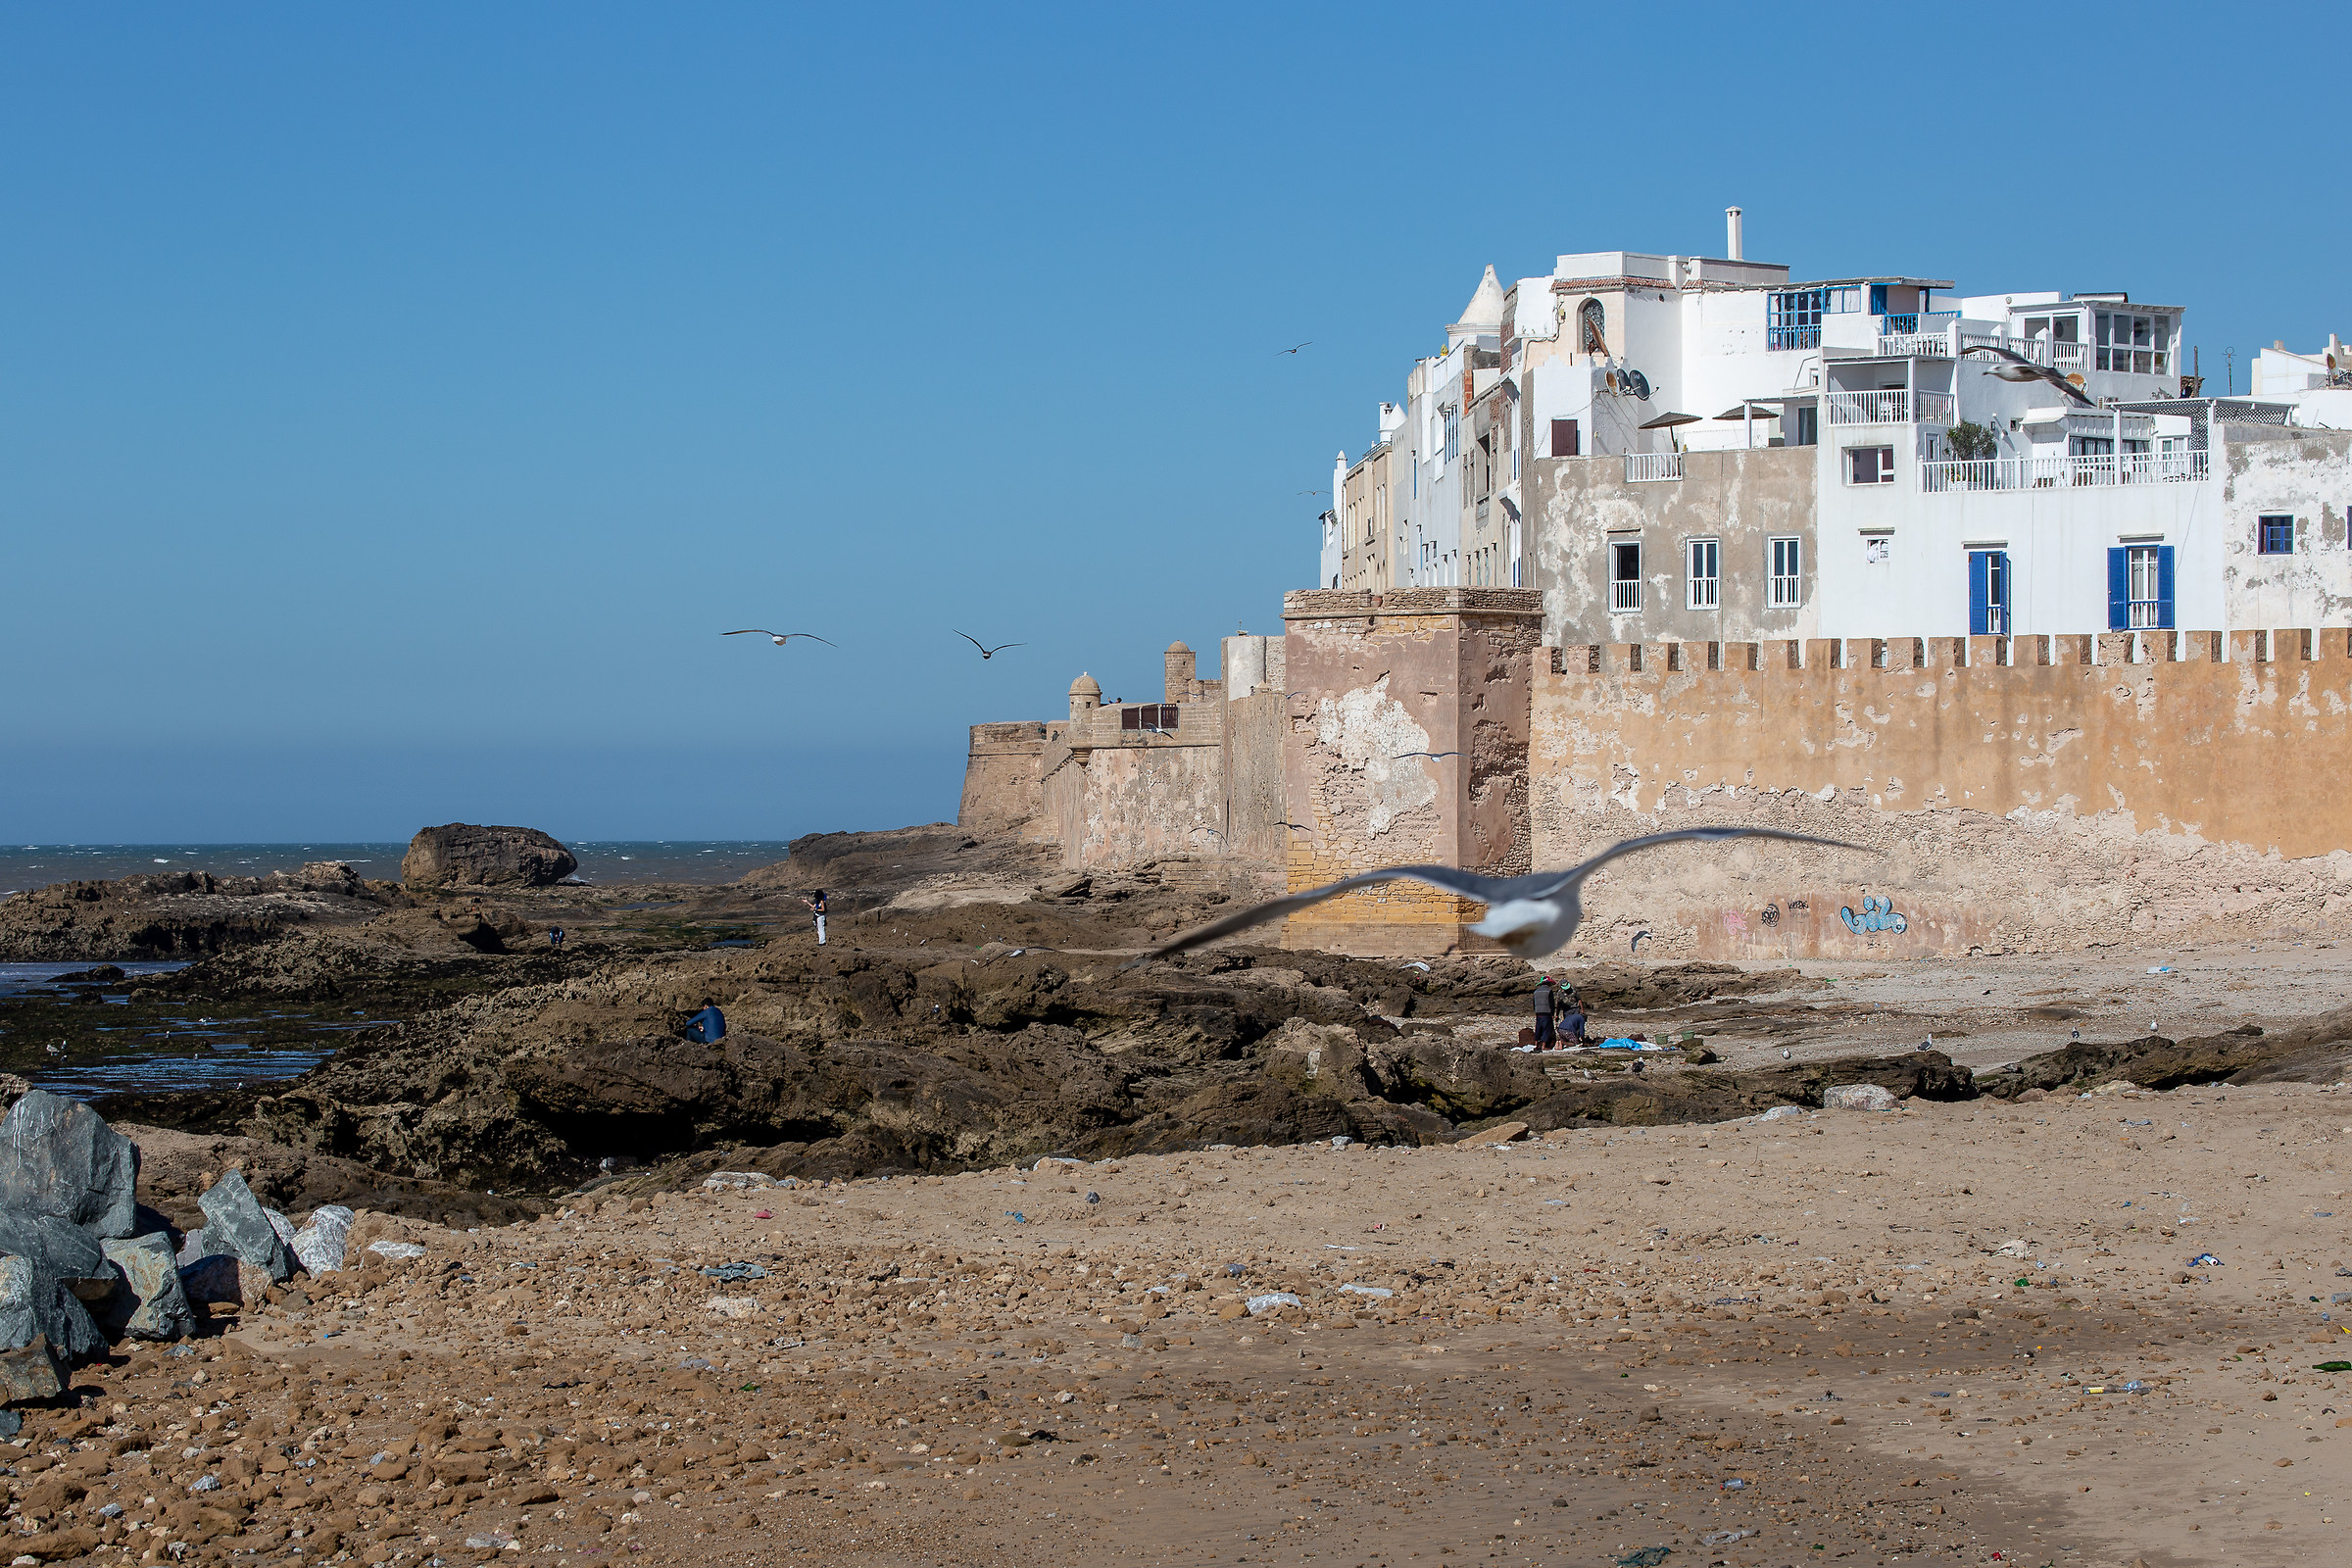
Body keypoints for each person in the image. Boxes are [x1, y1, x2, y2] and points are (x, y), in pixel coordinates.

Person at [1531, 973, 1556, 1048]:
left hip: (1538, 1012)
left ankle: (1536, 1044)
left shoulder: (1536, 991)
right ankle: (1543, 1046)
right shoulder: (1549, 991)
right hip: (1546, 1012)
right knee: (1546, 1029)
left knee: (1538, 1028)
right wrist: (1552, 1014)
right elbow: (1551, 1003)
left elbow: (1534, 1003)